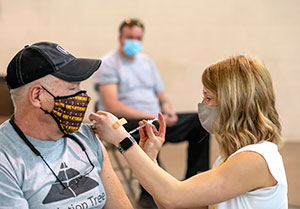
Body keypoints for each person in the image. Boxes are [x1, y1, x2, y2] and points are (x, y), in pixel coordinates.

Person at [90, 55, 288, 209]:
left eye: (208, 98)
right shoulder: (229, 159)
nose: (203, 105)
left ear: (233, 105)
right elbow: (175, 204)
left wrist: (121, 138)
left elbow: (173, 198)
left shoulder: (256, 160)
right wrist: (149, 158)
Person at [93, 18, 210, 208]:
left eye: (138, 38)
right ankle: (153, 192)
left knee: (200, 121)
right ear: (120, 38)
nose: (134, 41)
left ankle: (194, 182)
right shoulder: (109, 63)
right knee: (148, 128)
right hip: (129, 121)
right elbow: (112, 106)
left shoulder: (147, 62)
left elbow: (162, 96)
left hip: (155, 118)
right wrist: (148, 115)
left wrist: (168, 111)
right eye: (129, 37)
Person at [0, 42, 133, 209]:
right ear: (37, 96)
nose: (82, 95)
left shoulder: (84, 137)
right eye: (72, 88)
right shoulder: (6, 159)